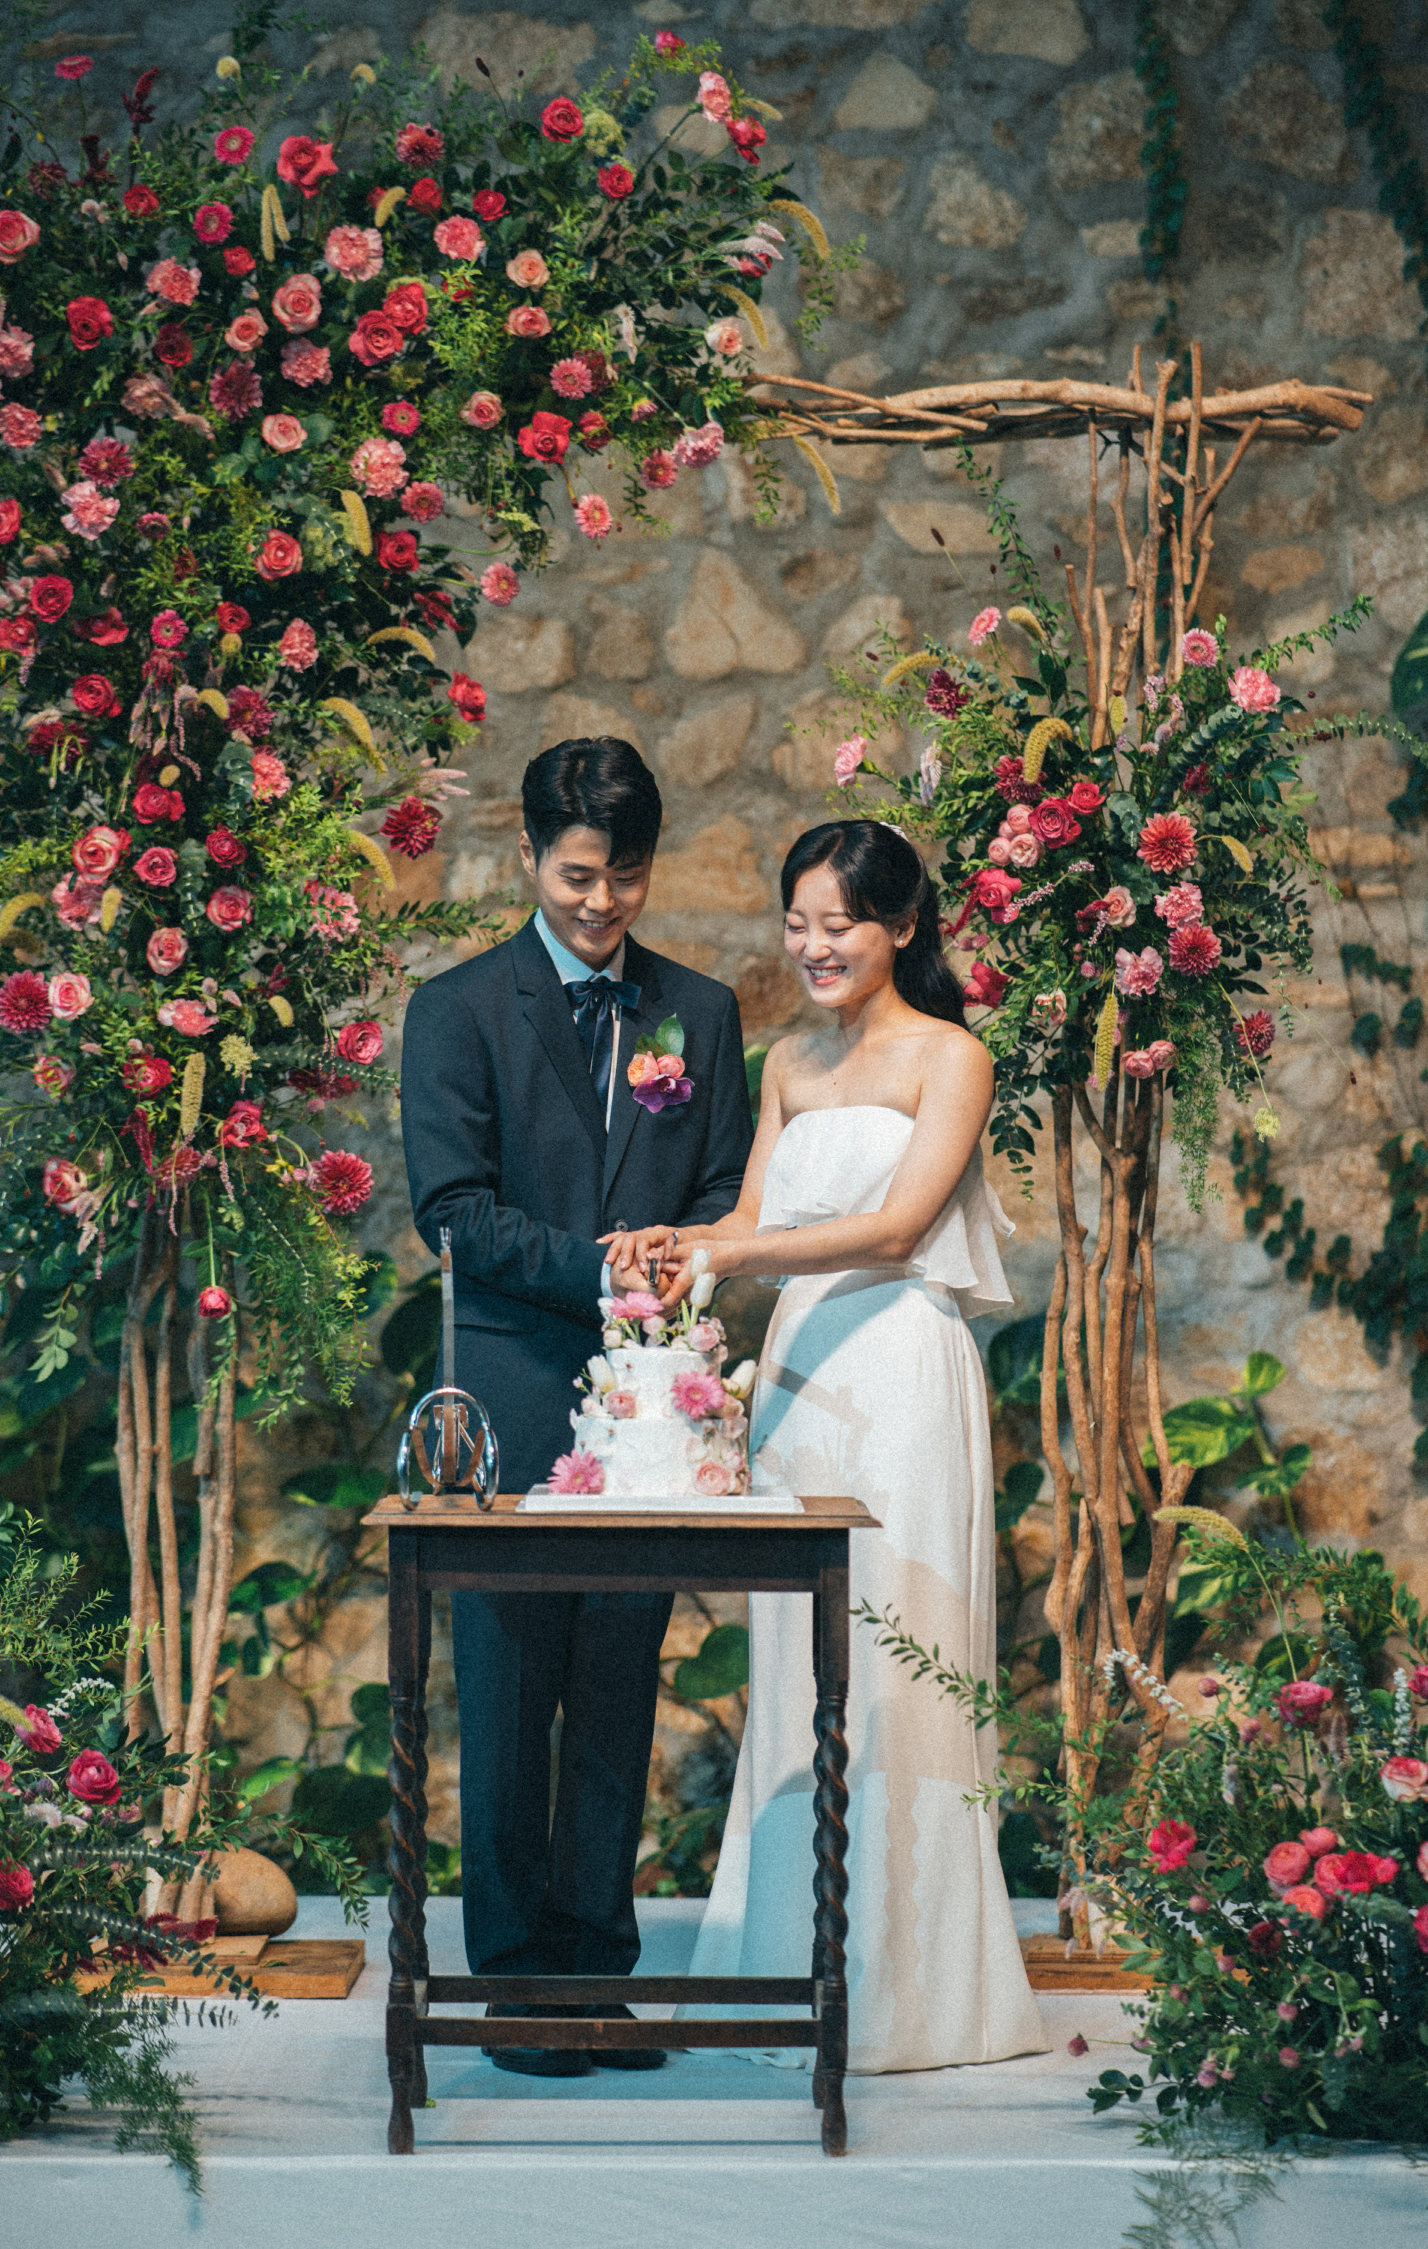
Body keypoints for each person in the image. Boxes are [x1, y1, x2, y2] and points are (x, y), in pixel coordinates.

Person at [609, 819, 1048, 2073]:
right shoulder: (790, 1063)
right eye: (796, 923)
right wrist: (674, 1244)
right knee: (799, 1660)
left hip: (900, 1362)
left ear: (901, 927)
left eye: (838, 924)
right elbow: (751, 1214)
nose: (813, 945)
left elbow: (901, 1229)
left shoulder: (953, 1056)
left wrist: (734, 1251)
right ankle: (783, 1969)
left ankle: (912, 1993)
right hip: (802, 1374)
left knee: (900, 1645)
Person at [399, 737, 754, 2077]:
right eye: (579, 877)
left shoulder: (696, 1012)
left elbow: (721, 1185)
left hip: (650, 1403)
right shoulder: (457, 1009)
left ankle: (597, 1974)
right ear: (530, 859)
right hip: (508, 1397)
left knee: (615, 1685)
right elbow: (452, 1209)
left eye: (627, 876)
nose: (604, 903)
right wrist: (600, 1266)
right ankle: (511, 1983)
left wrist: (685, 1253)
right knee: (505, 1693)